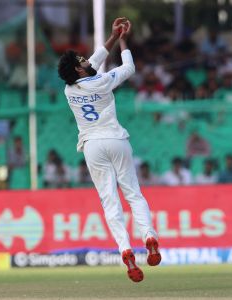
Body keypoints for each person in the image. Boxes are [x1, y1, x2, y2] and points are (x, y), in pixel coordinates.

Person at [58, 17, 160, 283]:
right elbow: (129, 66)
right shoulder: (104, 80)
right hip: (116, 139)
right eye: (81, 61)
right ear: (79, 70)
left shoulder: (69, 89)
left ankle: (125, 249)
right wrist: (123, 39)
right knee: (133, 194)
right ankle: (148, 236)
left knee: (109, 199)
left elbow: (92, 62)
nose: (87, 61)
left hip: (92, 146)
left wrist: (113, 36)